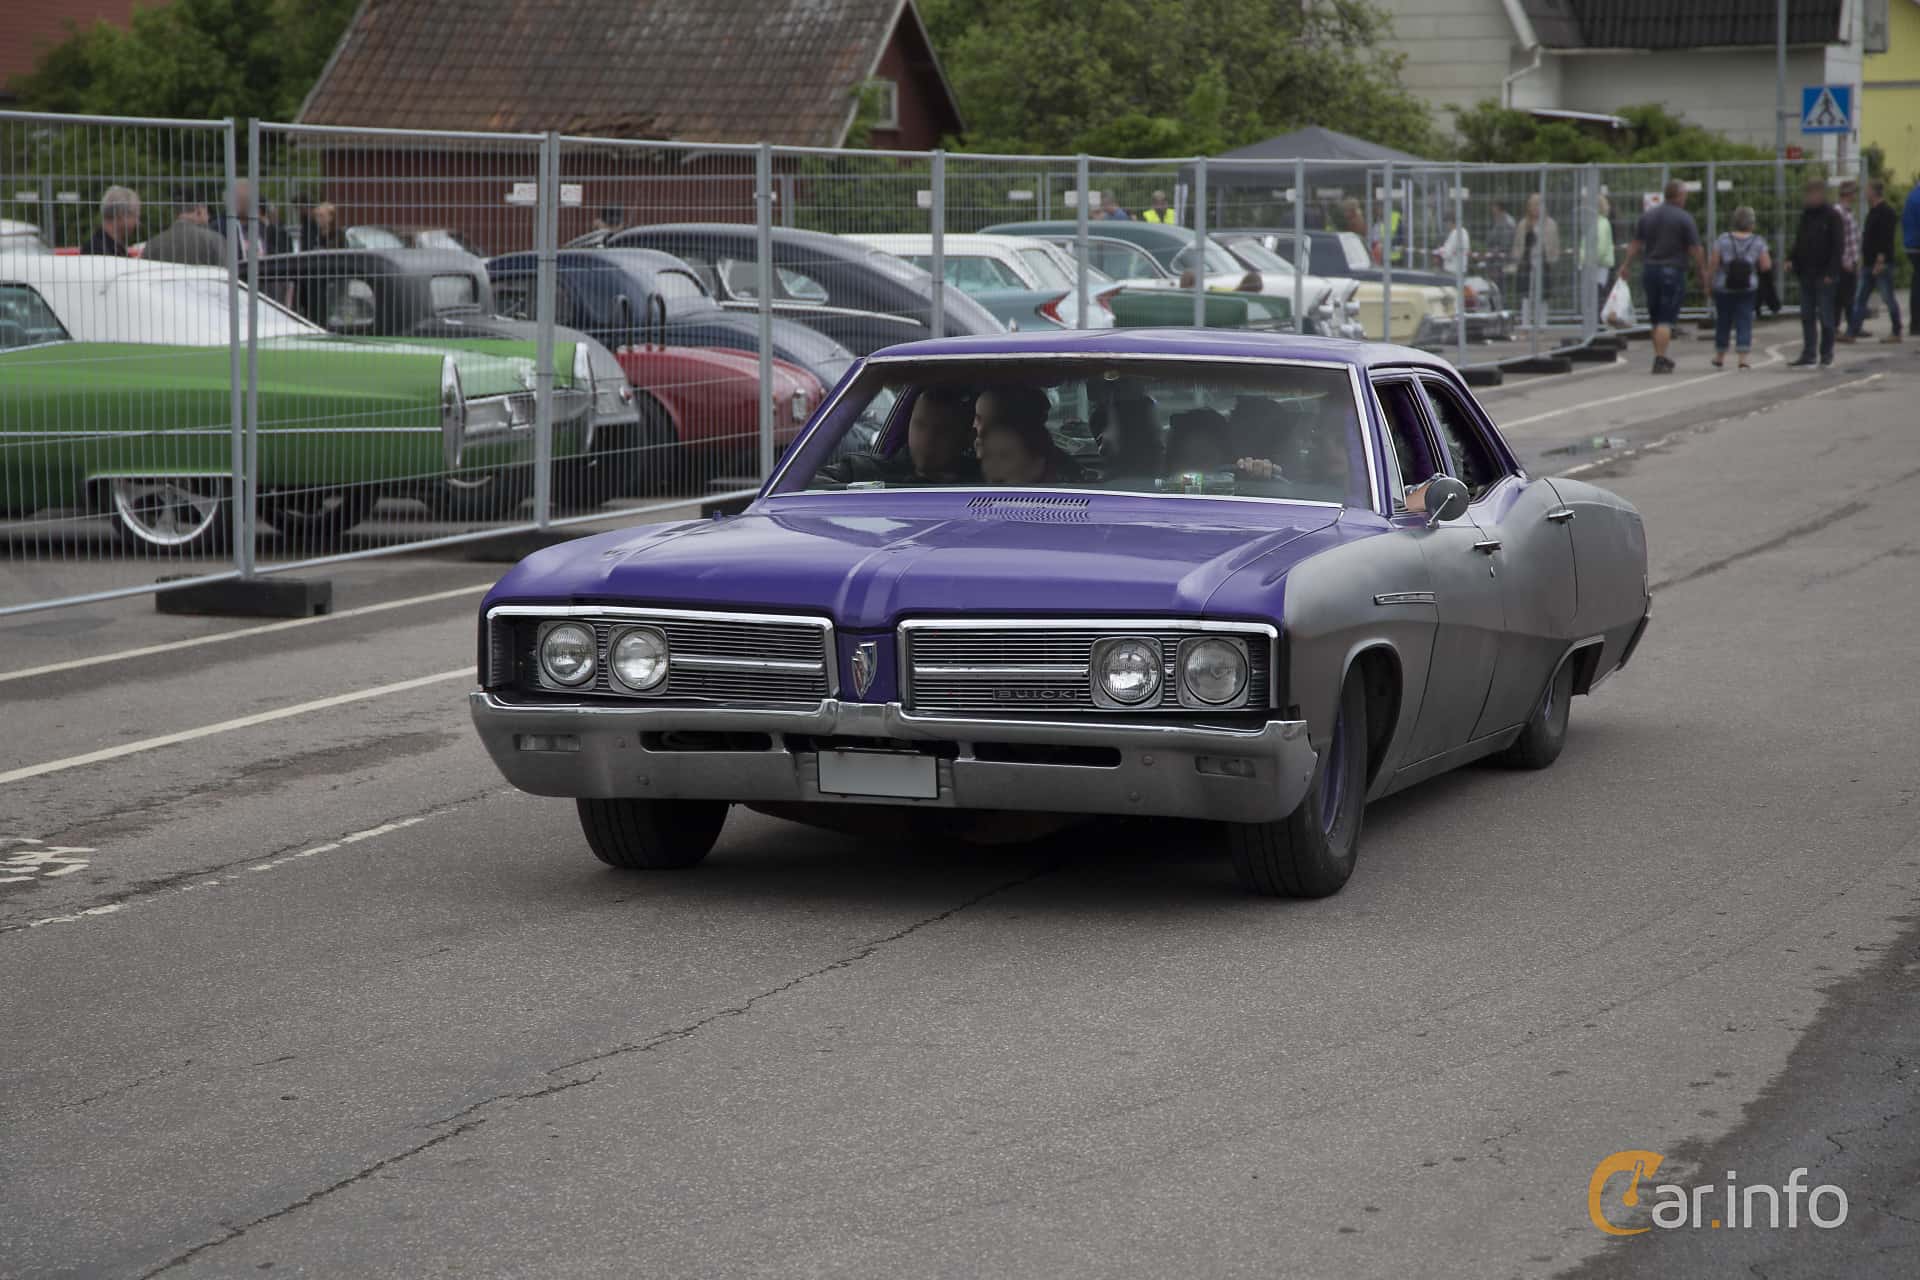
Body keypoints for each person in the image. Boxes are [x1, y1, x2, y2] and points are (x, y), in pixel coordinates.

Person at [1621, 179, 1707, 374]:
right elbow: (1695, 248)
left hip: (1650, 270)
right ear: (1679, 196)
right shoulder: (1684, 218)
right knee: (1666, 319)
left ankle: (1661, 354)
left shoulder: (1648, 216)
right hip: (1672, 271)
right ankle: (1660, 358)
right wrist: (1702, 270)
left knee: (1655, 317)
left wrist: (1625, 265)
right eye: (1685, 195)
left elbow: (1635, 244)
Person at [1787, 177, 1846, 367]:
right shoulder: (1806, 215)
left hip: (1824, 274)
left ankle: (1826, 353)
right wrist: (1791, 259)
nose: (1808, 198)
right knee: (1807, 315)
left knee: (1826, 317)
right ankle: (1809, 353)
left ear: (1820, 194)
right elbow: (1800, 240)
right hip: (1806, 272)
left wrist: (1831, 272)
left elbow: (1838, 246)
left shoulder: (1832, 216)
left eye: (1811, 194)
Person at [1706, 206, 1770, 370]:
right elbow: (1765, 265)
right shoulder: (1758, 241)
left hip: (1723, 285)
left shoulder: (1723, 239)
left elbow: (1713, 263)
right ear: (1752, 223)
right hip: (1748, 286)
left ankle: (1720, 356)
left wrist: (1708, 282)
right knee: (1744, 320)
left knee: (1723, 320)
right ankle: (1742, 358)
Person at [1845, 180, 1901, 344]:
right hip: (1868, 263)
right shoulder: (1873, 211)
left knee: (1888, 297)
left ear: (1874, 192)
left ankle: (1896, 330)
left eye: (1867, 190)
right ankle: (1851, 332)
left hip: (1880, 264)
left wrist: (1880, 260)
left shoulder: (1886, 212)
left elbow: (1886, 239)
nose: (1865, 193)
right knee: (1860, 298)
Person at [1507, 192, 1560, 328]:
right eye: (1533, 205)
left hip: (1544, 263)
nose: (1536, 208)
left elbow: (1555, 245)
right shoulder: (1523, 224)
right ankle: (1525, 324)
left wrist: (1552, 257)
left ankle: (1542, 325)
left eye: (1539, 204)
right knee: (1526, 295)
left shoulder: (1550, 224)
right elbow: (1517, 244)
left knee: (1543, 295)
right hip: (1526, 263)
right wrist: (1516, 261)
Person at [142, 187, 227, 266]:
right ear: (199, 210)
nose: (208, 217)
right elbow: (227, 273)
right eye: (207, 212)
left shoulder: (153, 244)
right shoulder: (214, 240)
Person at [1833, 181, 1862, 343]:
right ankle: (1847, 329)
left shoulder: (1847, 212)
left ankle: (1850, 328)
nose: (1855, 196)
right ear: (1848, 194)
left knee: (1847, 296)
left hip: (1851, 260)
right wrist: (1845, 261)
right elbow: (1840, 239)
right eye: (1854, 193)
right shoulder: (1839, 212)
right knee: (1845, 297)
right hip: (1845, 262)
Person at [1583, 193, 1616, 319]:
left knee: (1597, 294)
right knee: (1597, 294)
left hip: (1598, 265)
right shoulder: (1597, 223)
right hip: (1596, 264)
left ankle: (1598, 322)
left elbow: (1600, 247)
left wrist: (1588, 259)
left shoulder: (1600, 224)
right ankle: (1597, 321)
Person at [82, 186, 139, 256]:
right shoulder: (97, 250)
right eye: (135, 216)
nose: (137, 222)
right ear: (121, 215)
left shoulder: (114, 248)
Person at [1905, 180, 1920, 345]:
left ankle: (1915, 323)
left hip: (1911, 245)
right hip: (1917, 245)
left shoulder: (1912, 195)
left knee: (1916, 284)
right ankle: (1916, 323)